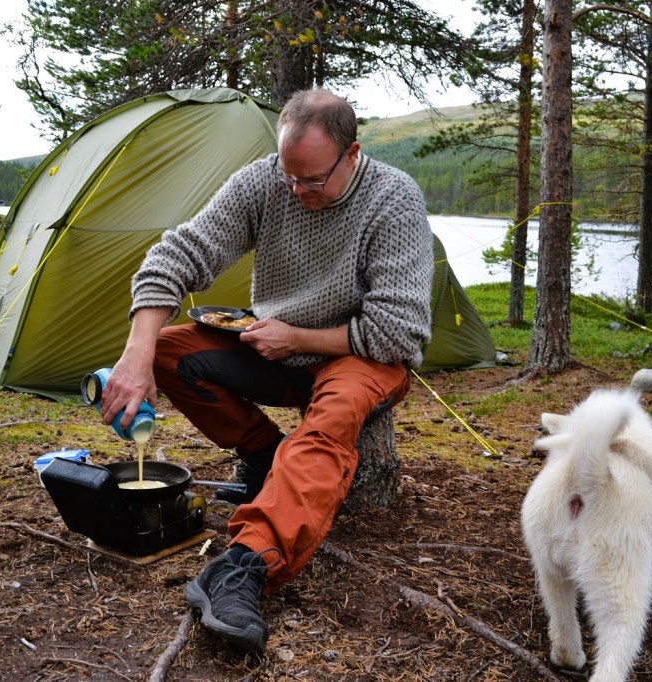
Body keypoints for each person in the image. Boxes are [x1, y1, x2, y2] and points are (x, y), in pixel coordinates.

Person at [99, 89, 435, 654]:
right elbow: (177, 255)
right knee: (165, 349)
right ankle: (265, 460)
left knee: (330, 422)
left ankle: (244, 565)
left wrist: (296, 337)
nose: (297, 191)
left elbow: (398, 332)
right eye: (289, 175)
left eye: (312, 180)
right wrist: (135, 353)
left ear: (352, 155)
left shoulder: (392, 199)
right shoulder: (264, 182)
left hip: (360, 358)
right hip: (273, 349)